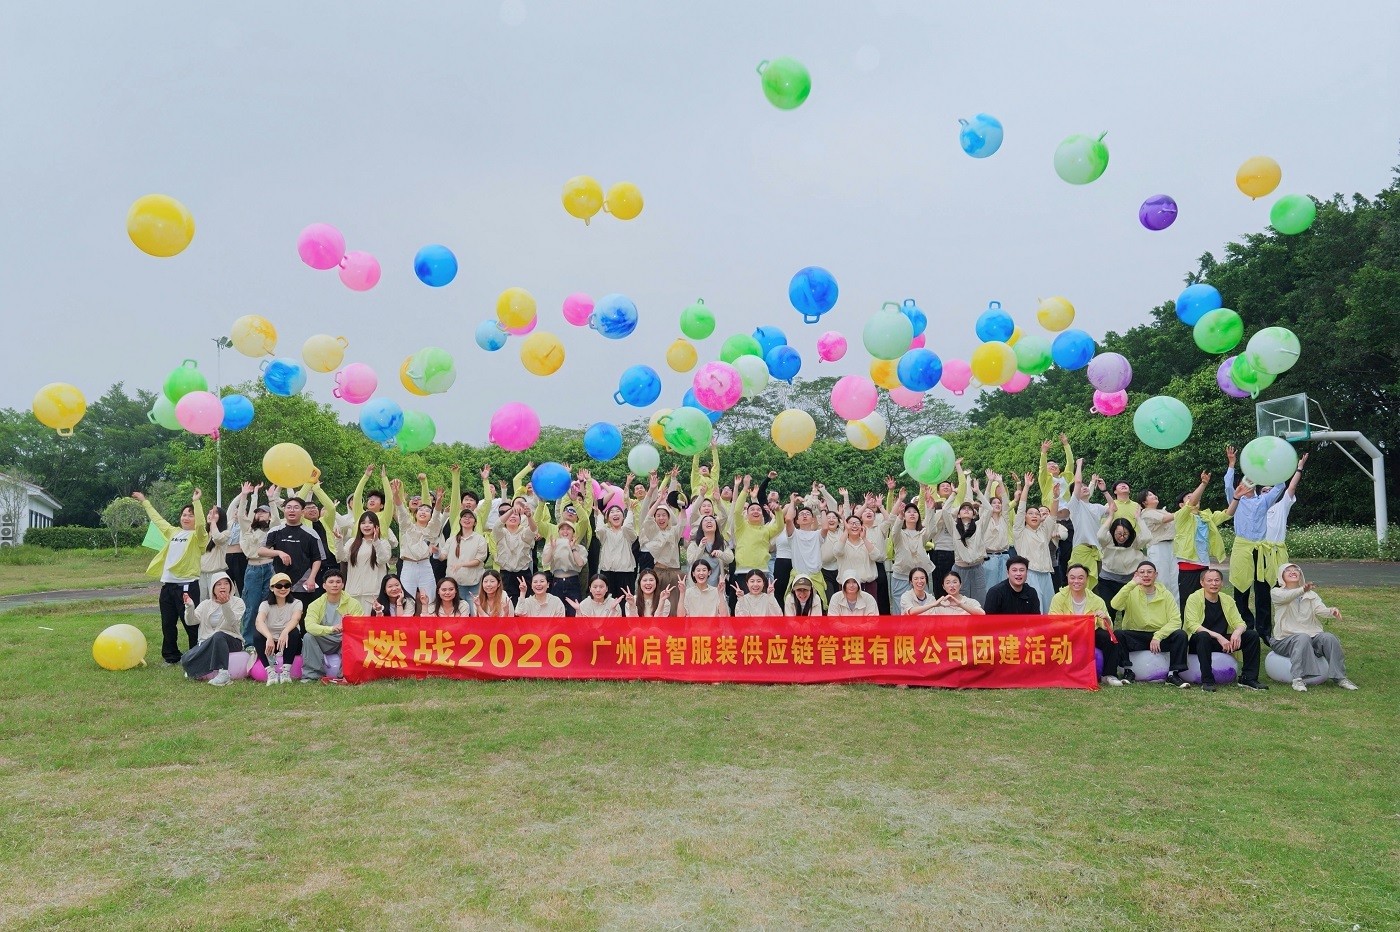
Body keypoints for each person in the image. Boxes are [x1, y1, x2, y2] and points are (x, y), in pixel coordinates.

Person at [133, 488, 209, 665]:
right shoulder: (173, 532)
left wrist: (196, 502)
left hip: (187, 586)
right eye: (184, 515)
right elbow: (158, 520)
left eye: (190, 515)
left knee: (190, 623)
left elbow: (201, 525)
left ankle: (195, 656)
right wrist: (144, 501)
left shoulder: (199, 537)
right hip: (168, 586)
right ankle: (171, 656)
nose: (186, 518)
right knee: (167, 623)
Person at [1224, 444, 1290, 641]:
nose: (1248, 483)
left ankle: (1264, 630)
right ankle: (1244, 626)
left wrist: (1274, 465)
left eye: (1252, 480)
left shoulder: (1264, 500)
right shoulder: (1235, 500)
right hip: (1242, 547)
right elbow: (1228, 486)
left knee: (1263, 590)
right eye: (1245, 481)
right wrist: (1232, 464)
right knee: (1241, 588)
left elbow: (1280, 486)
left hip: (1260, 550)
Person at [1270, 563, 1358, 692]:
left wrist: (1331, 611)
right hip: (1284, 639)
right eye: (1288, 570)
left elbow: (1320, 609)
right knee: (1302, 637)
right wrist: (1303, 589)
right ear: (1281, 576)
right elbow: (1287, 597)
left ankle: (1340, 677)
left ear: (1300, 575)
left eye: (1296, 570)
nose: (1293, 571)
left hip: (1311, 637)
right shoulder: (1277, 592)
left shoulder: (1311, 595)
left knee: (1329, 638)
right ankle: (1298, 679)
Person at [1179, 568, 1267, 692]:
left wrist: (1237, 632)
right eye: (1209, 580)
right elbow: (1192, 625)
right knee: (1203, 636)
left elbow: (1240, 622)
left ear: (1222, 583)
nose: (1214, 584)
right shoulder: (1194, 598)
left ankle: (1248, 678)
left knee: (1252, 635)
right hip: (1198, 642)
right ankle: (1207, 681)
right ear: (1202, 583)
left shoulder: (1227, 599)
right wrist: (1218, 636)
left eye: (1217, 580)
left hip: (1223, 643)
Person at [1111, 561, 1190, 687]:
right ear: (1136, 575)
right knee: (1118, 634)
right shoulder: (1130, 591)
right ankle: (1128, 671)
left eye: (1149, 572)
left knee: (1180, 635)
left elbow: (1176, 620)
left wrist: (1158, 636)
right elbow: (1115, 605)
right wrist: (1131, 584)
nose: (1146, 575)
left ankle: (1173, 674)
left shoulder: (1166, 594)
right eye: (1142, 572)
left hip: (1160, 637)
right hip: (1137, 635)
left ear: (1156, 575)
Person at [1049, 564, 1124, 687]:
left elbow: (1107, 627)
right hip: (1067, 635)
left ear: (1087, 579)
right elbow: (1053, 622)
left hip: (1089, 633)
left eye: (1080, 578)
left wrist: (1105, 619)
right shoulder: (1058, 598)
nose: (1076, 581)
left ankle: (1108, 675)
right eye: (1072, 578)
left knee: (1109, 638)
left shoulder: (1096, 600)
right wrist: (1071, 626)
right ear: (1067, 577)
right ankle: (1057, 671)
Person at [1172, 472, 1235, 610]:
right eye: (1189, 497)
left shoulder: (1206, 517)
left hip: (1203, 565)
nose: (1195, 499)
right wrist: (1204, 484)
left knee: (1204, 602)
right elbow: (1191, 504)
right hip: (1187, 566)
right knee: (1187, 602)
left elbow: (1228, 514)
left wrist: (1237, 497)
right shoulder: (1181, 517)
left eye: (1195, 496)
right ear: (1181, 505)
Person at [178, 572, 246, 686]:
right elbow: (191, 622)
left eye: (226, 583)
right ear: (213, 588)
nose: (223, 587)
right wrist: (190, 607)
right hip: (208, 642)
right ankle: (195, 668)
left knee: (218, 635)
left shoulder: (238, 602)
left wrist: (225, 604)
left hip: (232, 640)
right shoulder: (205, 604)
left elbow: (232, 622)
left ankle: (223, 674)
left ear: (231, 586)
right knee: (185, 658)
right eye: (219, 584)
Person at [300, 569, 364, 684]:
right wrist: (331, 629)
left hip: (343, 638)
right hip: (325, 637)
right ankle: (312, 675)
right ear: (324, 585)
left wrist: (349, 624)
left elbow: (360, 626)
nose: (335, 585)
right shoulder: (315, 604)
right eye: (331, 582)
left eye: (338, 582)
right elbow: (309, 626)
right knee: (308, 637)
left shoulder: (354, 604)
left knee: (352, 639)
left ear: (343, 585)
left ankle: (345, 675)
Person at [264, 494, 324, 616]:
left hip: (302, 582)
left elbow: (317, 558)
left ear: (302, 512)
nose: (292, 510)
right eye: (289, 507)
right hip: (279, 581)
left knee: (302, 614)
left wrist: (312, 578)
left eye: (296, 507)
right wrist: (278, 552)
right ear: (284, 510)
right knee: (278, 614)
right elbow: (261, 550)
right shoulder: (275, 531)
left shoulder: (311, 533)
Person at [1012, 473, 1064, 613]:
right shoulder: (1020, 531)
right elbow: (1021, 509)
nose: (1034, 515)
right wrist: (1027, 487)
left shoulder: (1044, 531)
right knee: (1035, 610)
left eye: (1037, 514)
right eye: (1031, 513)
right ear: (1025, 517)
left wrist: (1056, 497)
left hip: (1046, 574)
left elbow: (1053, 515)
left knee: (1049, 610)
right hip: (1030, 574)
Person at [393, 477, 447, 605]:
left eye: (427, 511)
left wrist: (438, 501)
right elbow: (401, 510)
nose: (423, 512)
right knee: (407, 601)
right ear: (415, 514)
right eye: (421, 510)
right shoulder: (407, 527)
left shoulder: (432, 530)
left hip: (425, 566)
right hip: (408, 566)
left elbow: (436, 515)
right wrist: (396, 495)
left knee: (430, 600)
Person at [888, 493, 935, 613]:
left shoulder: (922, 533)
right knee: (900, 610)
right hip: (901, 576)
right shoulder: (899, 534)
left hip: (920, 579)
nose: (912, 513)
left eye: (915, 512)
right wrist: (900, 516)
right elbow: (894, 531)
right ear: (904, 516)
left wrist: (930, 510)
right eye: (908, 512)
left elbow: (932, 530)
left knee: (923, 609)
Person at [255, 572, 303, 685]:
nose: (283, 589)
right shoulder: (265, 604)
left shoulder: (297, 603)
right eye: (279, 586)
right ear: (272, 588)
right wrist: (269, 637)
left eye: (286, 586)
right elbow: (259, 621)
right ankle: (270, 672)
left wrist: (285, 632)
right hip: (271, 643)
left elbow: (295, 619)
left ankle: (286, 672)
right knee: (257, 635)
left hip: (289, 643)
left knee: (294, 632)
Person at [338, 512, 392, 608]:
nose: (366, 525)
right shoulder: (352, 542)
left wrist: (376, 541)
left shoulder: (383, 543)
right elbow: (341, 557)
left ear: (376, 526)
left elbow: (383, 560)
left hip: (373, 594)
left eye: (370, 522)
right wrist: (338, 541)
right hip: (353, 593)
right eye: (363, 523)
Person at [1095, 515, 1145, 608]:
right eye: (1119, 534)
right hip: (1108, 580)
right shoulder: (1107, 540)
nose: (1122, 537)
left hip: (1129, 581)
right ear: (1113, 532)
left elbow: (1147, 537)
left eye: (1125, 534)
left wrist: (1139, 519)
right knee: (1108, 609)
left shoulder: (1134, 541)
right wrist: (1110, 517)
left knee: (1129, 610)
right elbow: (1100, 535)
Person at [493, 500, 539, 599]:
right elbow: (497, 525)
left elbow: (533, 530)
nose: (513, 516)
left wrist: (529, 516)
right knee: (506, 603)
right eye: (509, 515)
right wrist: (511, 510)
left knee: (526, 602)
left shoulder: (524, 532)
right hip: (505, 575)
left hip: (523, 574)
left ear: (520, 519)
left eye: (516, 515)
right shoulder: (500, 533)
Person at [543, 521, 588, 614]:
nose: (565, 531)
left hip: (573, 581)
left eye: (568, 529)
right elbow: (545, 561)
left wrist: (573, 548)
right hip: (557, 581)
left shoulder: (580, 548)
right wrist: (552, 548)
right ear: (558, 532)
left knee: (574, 612)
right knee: (556, 612)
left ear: (573, 532)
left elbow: (580, 563)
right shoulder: (551, 545)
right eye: (562, 529)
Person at [594, 504, 639, 599]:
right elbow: (600, 529)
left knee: (626, 602)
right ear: (608, 518)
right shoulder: (605, 533)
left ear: (623, 517)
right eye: (612, 512)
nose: (615, 513)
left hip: (626, 573)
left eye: (618, 511)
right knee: (607, 602)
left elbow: (627, 526)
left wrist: (630, 511)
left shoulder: (627, 533)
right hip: (607, 573)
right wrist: (600, 515)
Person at [198, 503, 231, 603]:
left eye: (215, 513)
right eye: (209, 513)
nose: (211, 515)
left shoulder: (225, 533)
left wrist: (213, 522)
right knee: (202, 602)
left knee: (217, 602)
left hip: (216, 574)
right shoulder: (204, 534)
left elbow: (217, 538)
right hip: (201, 574)